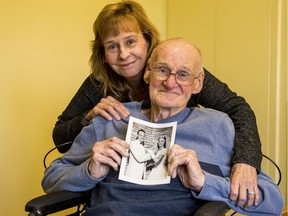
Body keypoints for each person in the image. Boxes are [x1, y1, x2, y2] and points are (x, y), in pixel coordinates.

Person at [52, 0, 262, 207]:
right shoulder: (98, 84)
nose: (124, 54)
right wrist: (88, 118)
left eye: (130, 42)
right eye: (112, 46)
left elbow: (238, 110)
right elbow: (60, 139)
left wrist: (245, 162)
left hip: (178, 179)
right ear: (104, 55)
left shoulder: (179, 69)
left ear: (148, 41)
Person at [42, 38, 283, 215]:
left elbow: (272, 202)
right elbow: (50, 179)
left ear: (198, 84)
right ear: (147, 73)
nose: (170, 82)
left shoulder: (215, 126)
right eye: (163, 70)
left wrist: (204, 183)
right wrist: (89, 171)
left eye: (183, 74)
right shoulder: (111, 119)